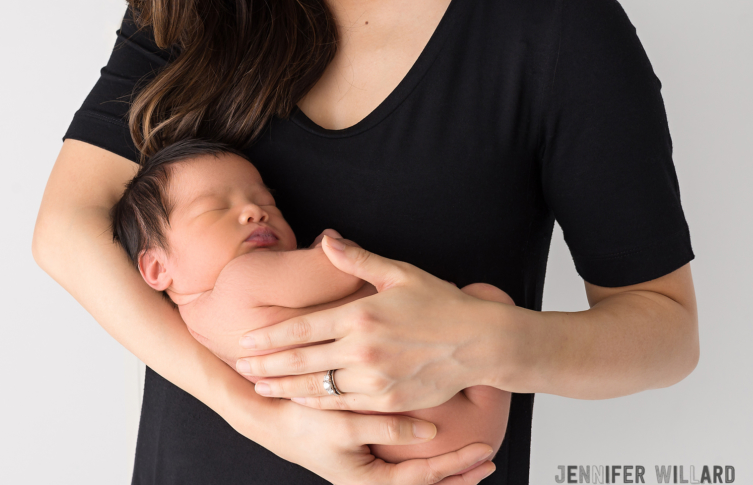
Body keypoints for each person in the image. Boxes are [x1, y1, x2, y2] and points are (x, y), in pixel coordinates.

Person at [32, 0, 699, 485]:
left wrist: (486, 340)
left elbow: (666, 336)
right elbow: (66, 229)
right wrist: (262, 417)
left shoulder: (559, 31)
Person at [108, 137, 515, 466]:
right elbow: (343, 267)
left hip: (406, 443)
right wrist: (328, 246)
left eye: (267, 202)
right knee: (487, 299)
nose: (254, 211)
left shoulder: (195, 327)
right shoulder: (240, 279)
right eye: (217, 208)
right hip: (443, 407)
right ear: (157, 268)